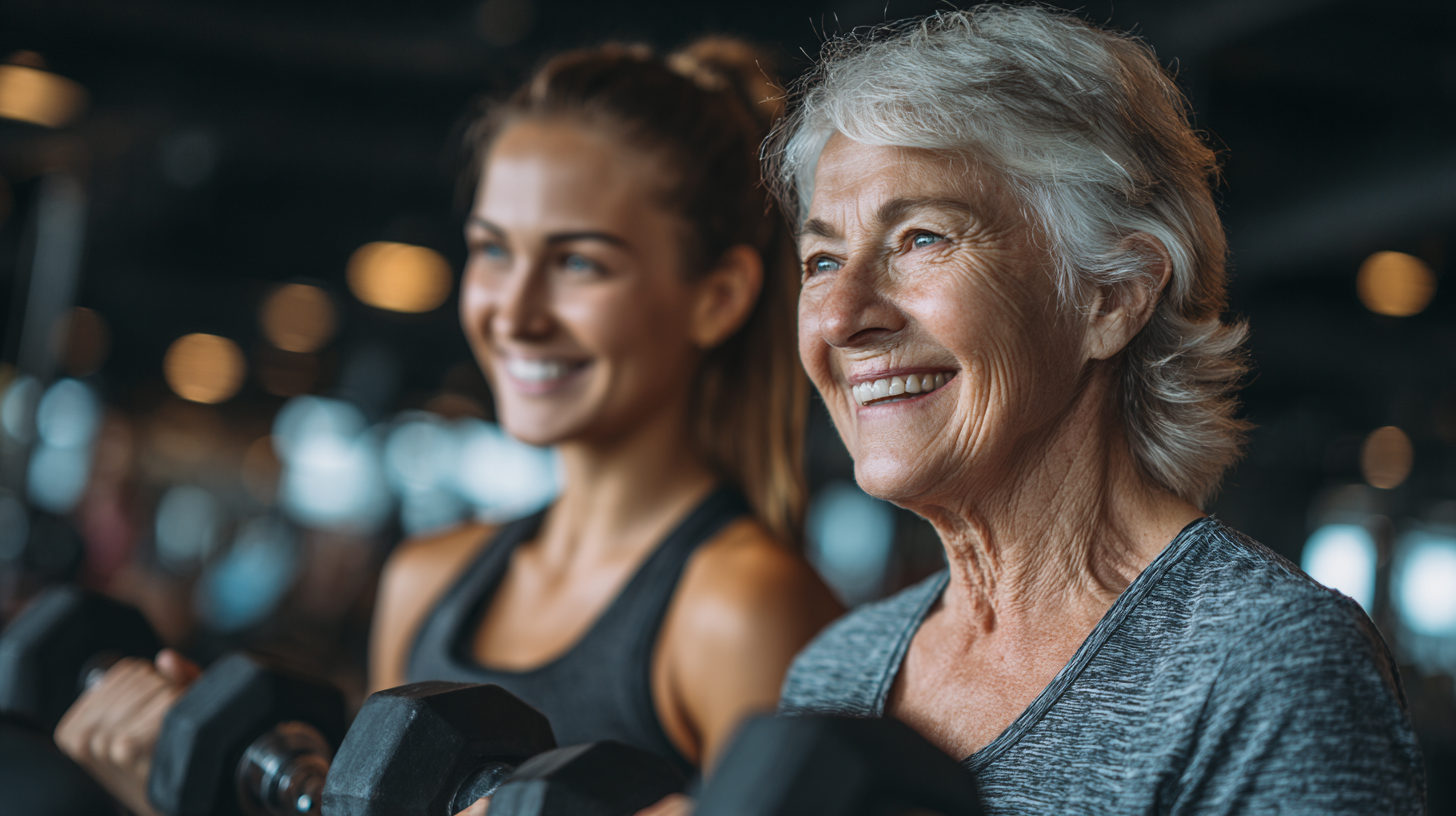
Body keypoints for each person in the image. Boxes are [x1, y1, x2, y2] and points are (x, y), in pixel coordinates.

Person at [53, 38, 842, 816]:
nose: (516, 312)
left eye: (579, 263)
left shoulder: (743, 606)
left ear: (719, 294)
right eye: (493, 251)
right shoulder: (424, 579)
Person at [753, 6, 1422, 814]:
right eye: (822, 259)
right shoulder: (840, 670)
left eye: (922, 238)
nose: (839, 315)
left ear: (1110, 296)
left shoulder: (1265, 664)